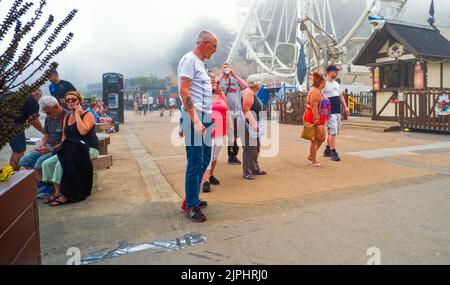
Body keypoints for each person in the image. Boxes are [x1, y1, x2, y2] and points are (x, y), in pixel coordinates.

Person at [178, 30, 218, 223]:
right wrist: (192, 120)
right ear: (204, 43)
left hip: (206, 116)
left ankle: (191, 197)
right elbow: (184, 90)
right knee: (195, 162)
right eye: (214, 46)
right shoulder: (190, 60)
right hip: (196, 116)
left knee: (204, 161)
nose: (215, 51)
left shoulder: (201, 64)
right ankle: (190, 206)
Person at [41, 91, 99, 206]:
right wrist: (55, 149)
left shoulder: (87, 115)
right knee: (47, 164)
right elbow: (64, 138)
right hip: (71, 148)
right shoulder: (67, 117)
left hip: (88, 149)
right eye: (68, 100)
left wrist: (77, 115)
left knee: (60, 164)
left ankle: (66, 194)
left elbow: (83, 131)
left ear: (79, 101)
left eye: (73, 99)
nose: (70, 102)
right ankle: (57, 192)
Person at [19, 96, 68, 198]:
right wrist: (42, 145)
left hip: (61, 148)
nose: (47, 115)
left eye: (48, 112)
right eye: (45, 113)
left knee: (39, 163)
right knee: (24, 160)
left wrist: (49, 149)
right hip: (49, 145)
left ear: (56, 106)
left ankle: (50, 187)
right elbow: (46, 134)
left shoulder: (66, 117)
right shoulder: (49, 117)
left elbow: (65, 141)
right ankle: (45, 185)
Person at [201, 82, 232, 192]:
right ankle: (205, 181)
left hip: (220, 129)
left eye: (217, 83)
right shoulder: (204, 96)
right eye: (213, 82)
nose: (216, 85)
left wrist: (230, 125)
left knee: (215, 155)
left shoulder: (222, 96)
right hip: (209, 129)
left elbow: (227, 110)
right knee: (208, 156)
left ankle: (210, 175)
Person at [8, 88, 46, 171]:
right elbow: (34, 120)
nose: (38, 100)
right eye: (39, 98)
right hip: (13, 125)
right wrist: (43, 131)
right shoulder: (32, 100)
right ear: (37, 94)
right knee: (19, 151)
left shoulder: (11, 94)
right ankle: (14, 176)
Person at [219, 63, 248, 165]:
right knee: (232, 135)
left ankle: (239, 154)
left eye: (228, 67)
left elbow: (245, 85)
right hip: (228, 113)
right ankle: (232, 155)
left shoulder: (235, 80)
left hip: (239, 112)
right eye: (224, 67)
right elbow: (214, 86)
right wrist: (222, 74)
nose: (226, 69)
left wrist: (234, 74)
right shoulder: (220, 81)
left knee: (241, 134)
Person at [323, 65, 350, 162]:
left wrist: (345, 107)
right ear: (329, 72)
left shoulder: (336, 83)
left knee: (333, 132)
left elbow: (340, 96)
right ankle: (333, 152)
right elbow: (318, 95)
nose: (336, 73)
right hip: (329, 112)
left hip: (337, 111)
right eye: (335, 71)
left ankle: (327, 149)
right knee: (333, 132)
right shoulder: (324, 84)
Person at [304, 72, 331, 168]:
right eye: (325, 81)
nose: (326, 83)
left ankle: (312, 155)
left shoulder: (319, 91)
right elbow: (314, 106)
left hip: (320, 117)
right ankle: (314, 160)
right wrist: (317, 118)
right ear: (321, 81)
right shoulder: (315, 91)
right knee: (315, 139)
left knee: (322, 138)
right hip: (314, 117)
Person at [242, 77, 267, 180]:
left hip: (254, 123)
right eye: (260, 83)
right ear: (256, 84)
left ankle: (254, 168)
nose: (261, 85)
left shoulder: (251, 92)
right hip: (248, 125)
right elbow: (246, 110)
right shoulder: (248, 93)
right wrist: (253, 124)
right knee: (249, 149)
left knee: (255, 147)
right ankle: (247, 171)